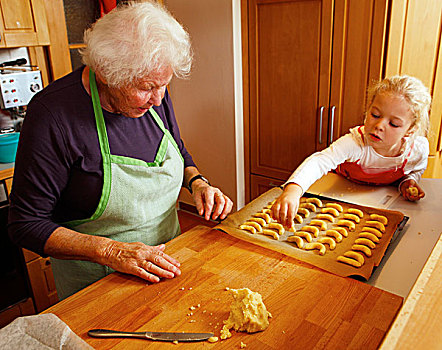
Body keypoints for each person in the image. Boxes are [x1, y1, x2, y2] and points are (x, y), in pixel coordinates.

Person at [8, 1, 233, 299]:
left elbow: (176, 149)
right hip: (97, 286)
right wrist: (112, 251)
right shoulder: (52, 115)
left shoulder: (155, 94)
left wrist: (196, 182)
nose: (157, 99)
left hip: (167, 264)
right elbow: (25, 223)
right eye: (146, 87)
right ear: (105, 73)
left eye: (163, 85)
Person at [272, 75, 431, 228]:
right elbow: (320, 161)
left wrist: (409, 181)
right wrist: (293, 189)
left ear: (410, 130)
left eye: (394, 124)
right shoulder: (356, 143)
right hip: (339, 196)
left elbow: (417, 168)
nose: (379, 125)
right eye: (375, 115)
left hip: (377, 204)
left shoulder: (416, 150)